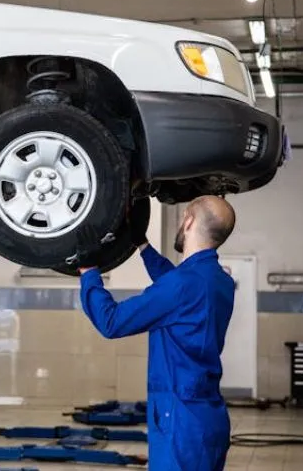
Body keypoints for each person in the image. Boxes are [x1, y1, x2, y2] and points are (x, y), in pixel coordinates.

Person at [78, 196, 237, 471]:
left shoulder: (181, 285)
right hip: (208, 415)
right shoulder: (219, 280)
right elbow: (176, 284)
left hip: (179, 419)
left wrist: (89, 273)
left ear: (188, 220)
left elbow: (112, 322)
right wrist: (142, 245)